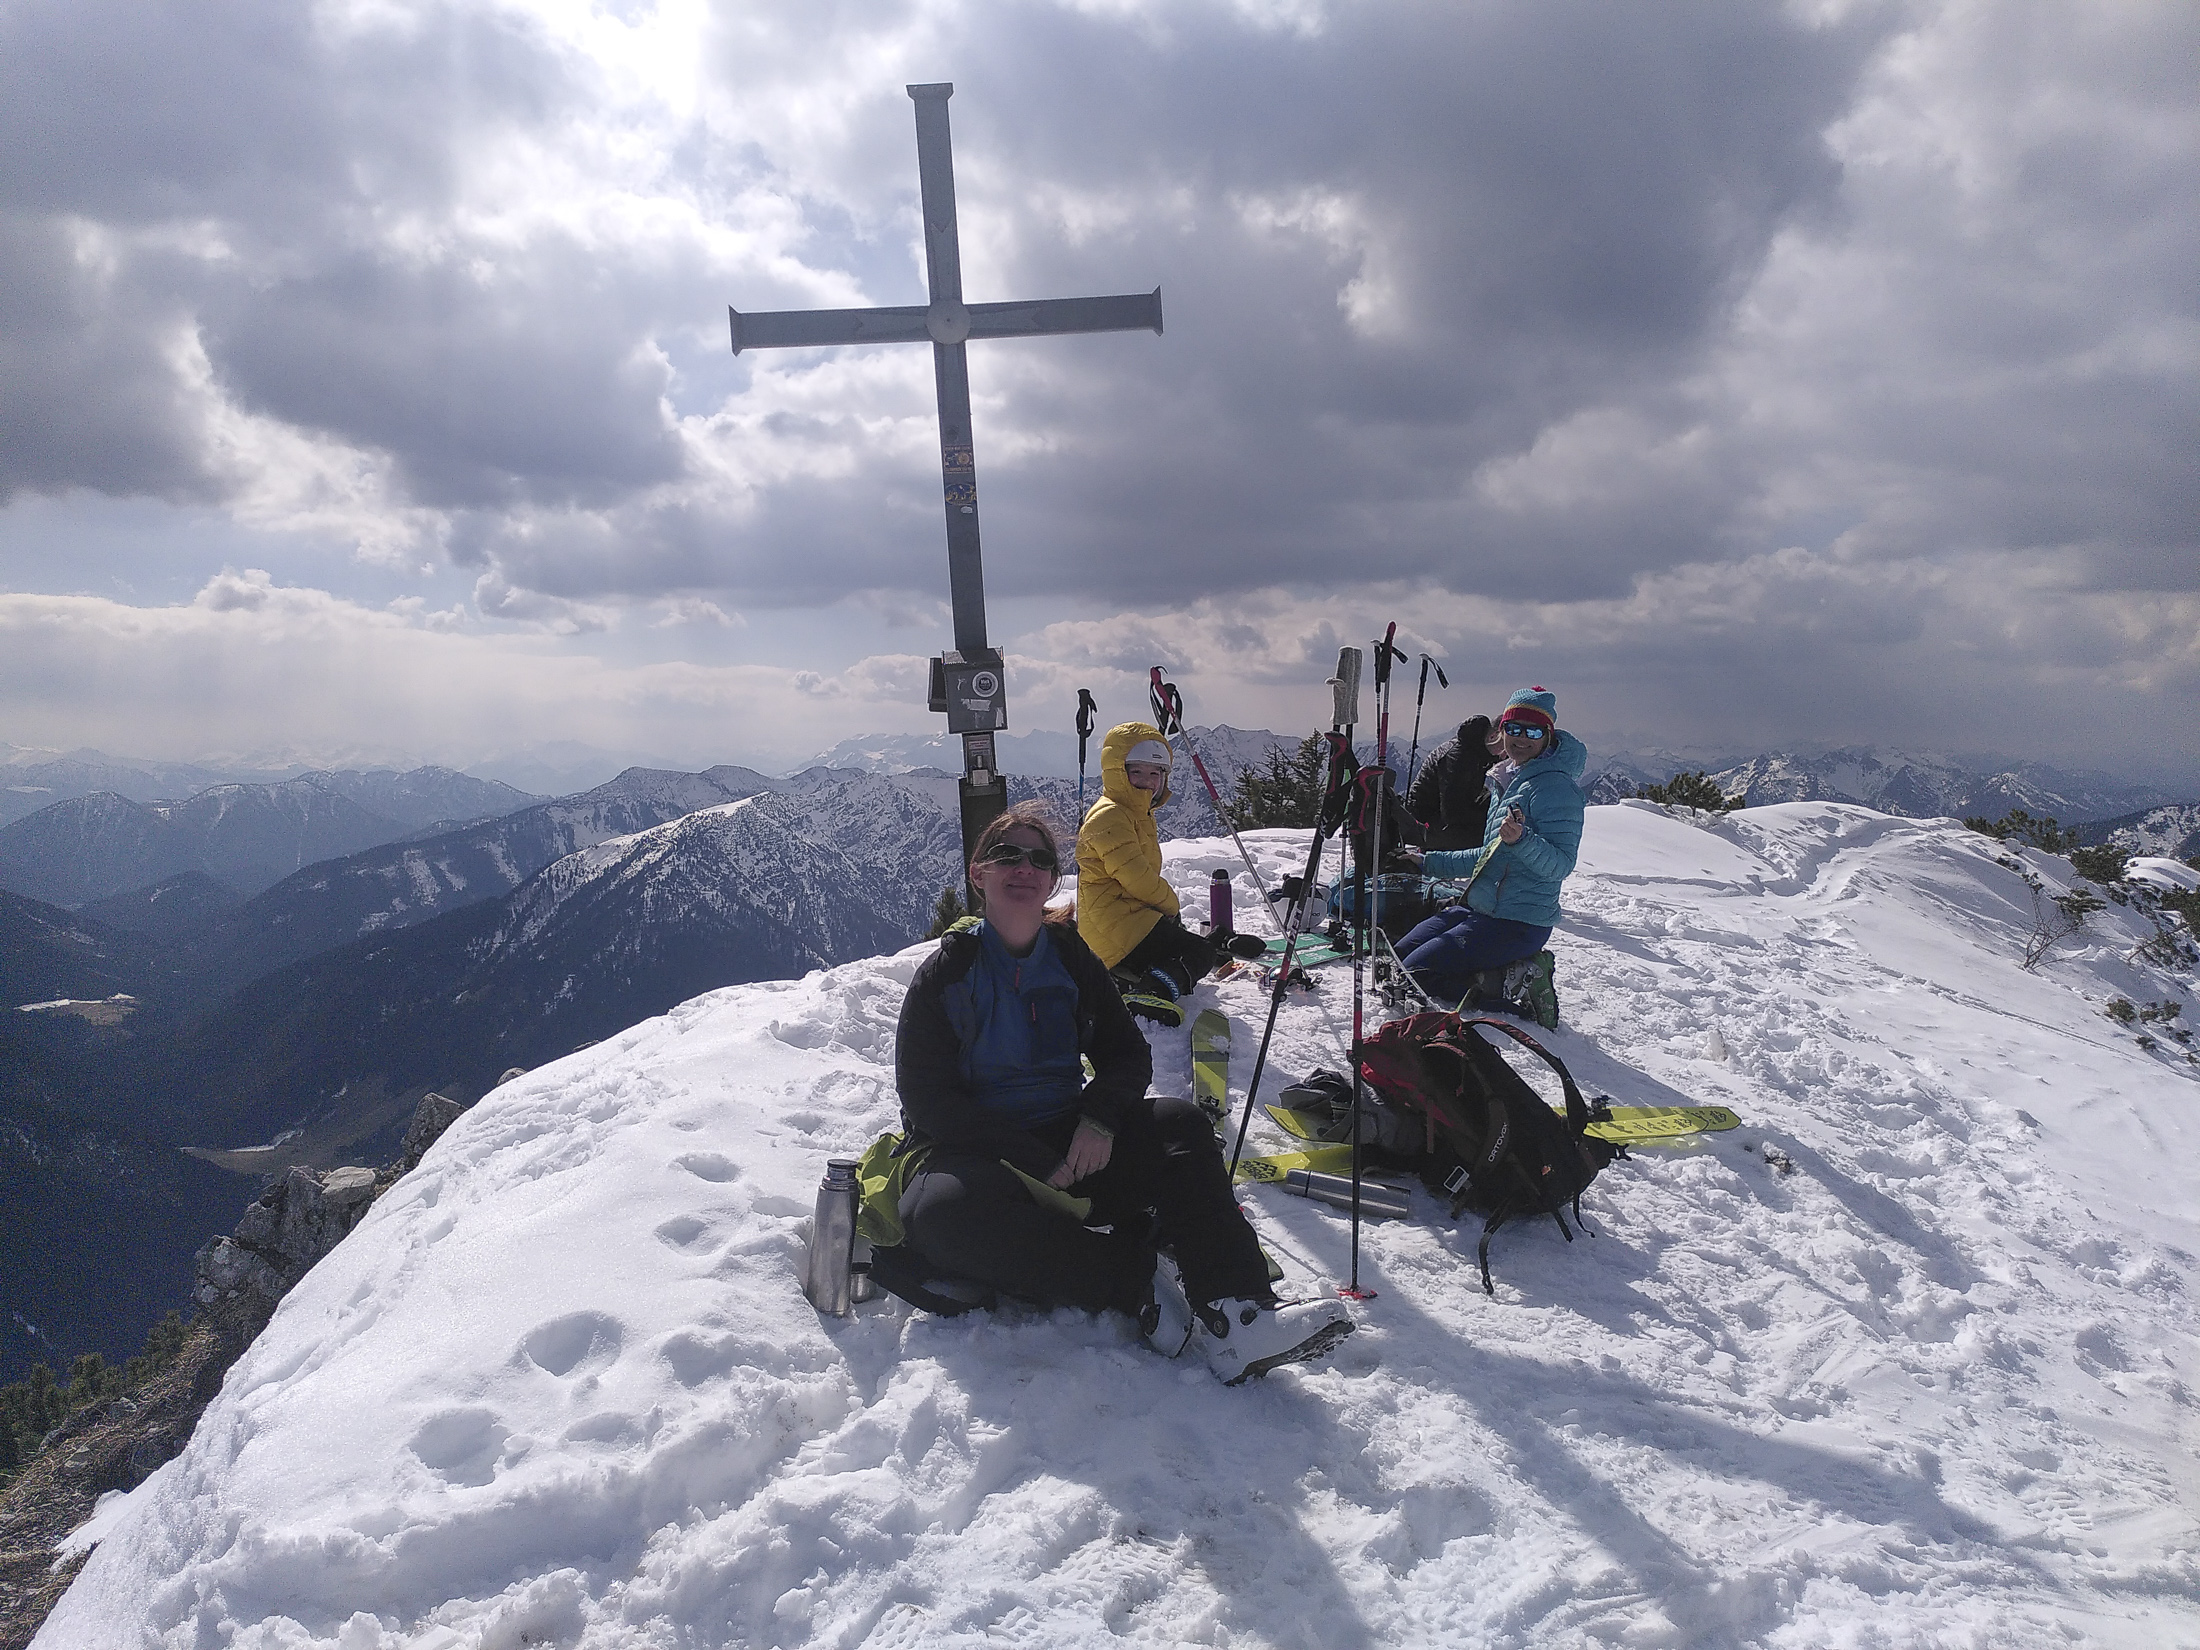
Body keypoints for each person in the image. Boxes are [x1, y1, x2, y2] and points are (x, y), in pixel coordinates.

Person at [894, 803, 1354, 1383]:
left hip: (1073, 1140)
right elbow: (927, 1100)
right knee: (938, 1217)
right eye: (1007, 855)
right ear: (978, 873)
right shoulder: (947, 973)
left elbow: (1125, 1054)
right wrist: (1032, 1158)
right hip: (983, 1155)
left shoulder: (1069, 957)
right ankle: (1129, 1276)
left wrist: (1100, 1120)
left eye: (1039, 858)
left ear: (1052, 880)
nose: (1024, 868)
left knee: (1181, 1126)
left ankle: (1240, 1317)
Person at [1397, 687, 1585, 1010]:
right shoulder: (1507, 780)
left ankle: (1518, 984)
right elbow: (1485, 857)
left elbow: (1561, 864)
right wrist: (1425, 862)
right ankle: (1489, 970)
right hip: (1481, 909)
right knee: (1399, 956)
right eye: (1513, 728)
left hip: (1520, 922)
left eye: (1533, 731)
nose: (1521, 738)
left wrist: (1522, 841)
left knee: (1415, 974)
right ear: (1502, 731)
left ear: (1548, 736)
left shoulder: (1556, 788)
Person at [1075, 723, 1217, 1025]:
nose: (1147, 781)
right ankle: (1149, 991)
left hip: (1123, 919)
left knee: (1186, 948)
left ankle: (1125, 977)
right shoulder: (1110, 816)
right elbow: (1136, 878)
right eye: (1137, 771)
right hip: (1113, 925)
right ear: (1118, 772)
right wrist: (1171, 906)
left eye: (1155, 773)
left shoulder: (1134, 812)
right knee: (1199, 952)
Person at [1406, 714, 1498, 851]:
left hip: (1437, 814)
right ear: (1493, 736)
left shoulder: (1475, 749)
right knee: (1489, 836)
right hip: (1427, 821)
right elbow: (1453, 813)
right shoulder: (1458, 759)